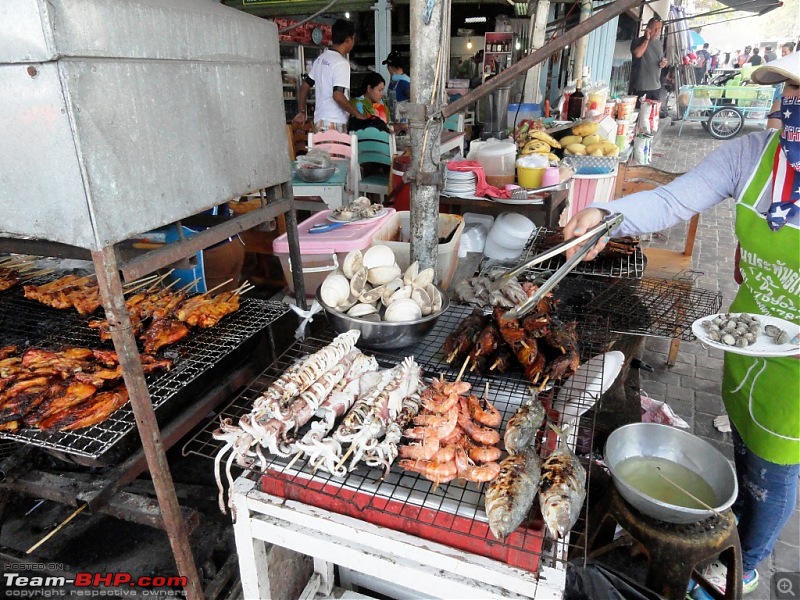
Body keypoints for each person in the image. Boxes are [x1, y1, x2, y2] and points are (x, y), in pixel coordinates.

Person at [563, 52, 800, 599]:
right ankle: (737, 524)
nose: (792, 104)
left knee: (776, 469)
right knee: (745, 443)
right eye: (788, 92)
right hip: (751, 340)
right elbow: (673, 199)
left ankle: (748, 561)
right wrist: (606, 215)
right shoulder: (753, 156)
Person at [292, 19, 367, 133]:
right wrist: (357, 114)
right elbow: (338, 96)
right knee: (335, 151)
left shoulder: (321, 59)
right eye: (353, 39)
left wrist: (302, 111)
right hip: (334, 123)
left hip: (319, 122)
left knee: (322, 151)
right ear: (348, 40)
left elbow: (304, 87)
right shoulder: (341, 63)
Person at [630, 17, 669, 105]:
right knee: (640, 113)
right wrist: (647, 39)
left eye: (659, 29)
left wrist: (663, 63)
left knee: (653, 115)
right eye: (654, 28)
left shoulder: (658, 43)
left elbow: (661, 59)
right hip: (641, 86)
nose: (657, 31)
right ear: (648, 28)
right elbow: (637, 54)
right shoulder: (638, 41)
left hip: (656, 86)